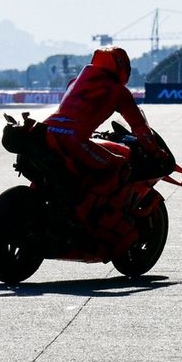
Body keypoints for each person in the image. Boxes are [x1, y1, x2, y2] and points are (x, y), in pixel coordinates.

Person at [42, 46, 161, 236]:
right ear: (122, 68)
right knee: (121, 166)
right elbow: (139, 127)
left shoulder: (75, 82)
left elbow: (78, 112)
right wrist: (154, 151)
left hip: (46, 131)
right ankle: (87, 219)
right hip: (72, 139)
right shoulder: (118, 91)